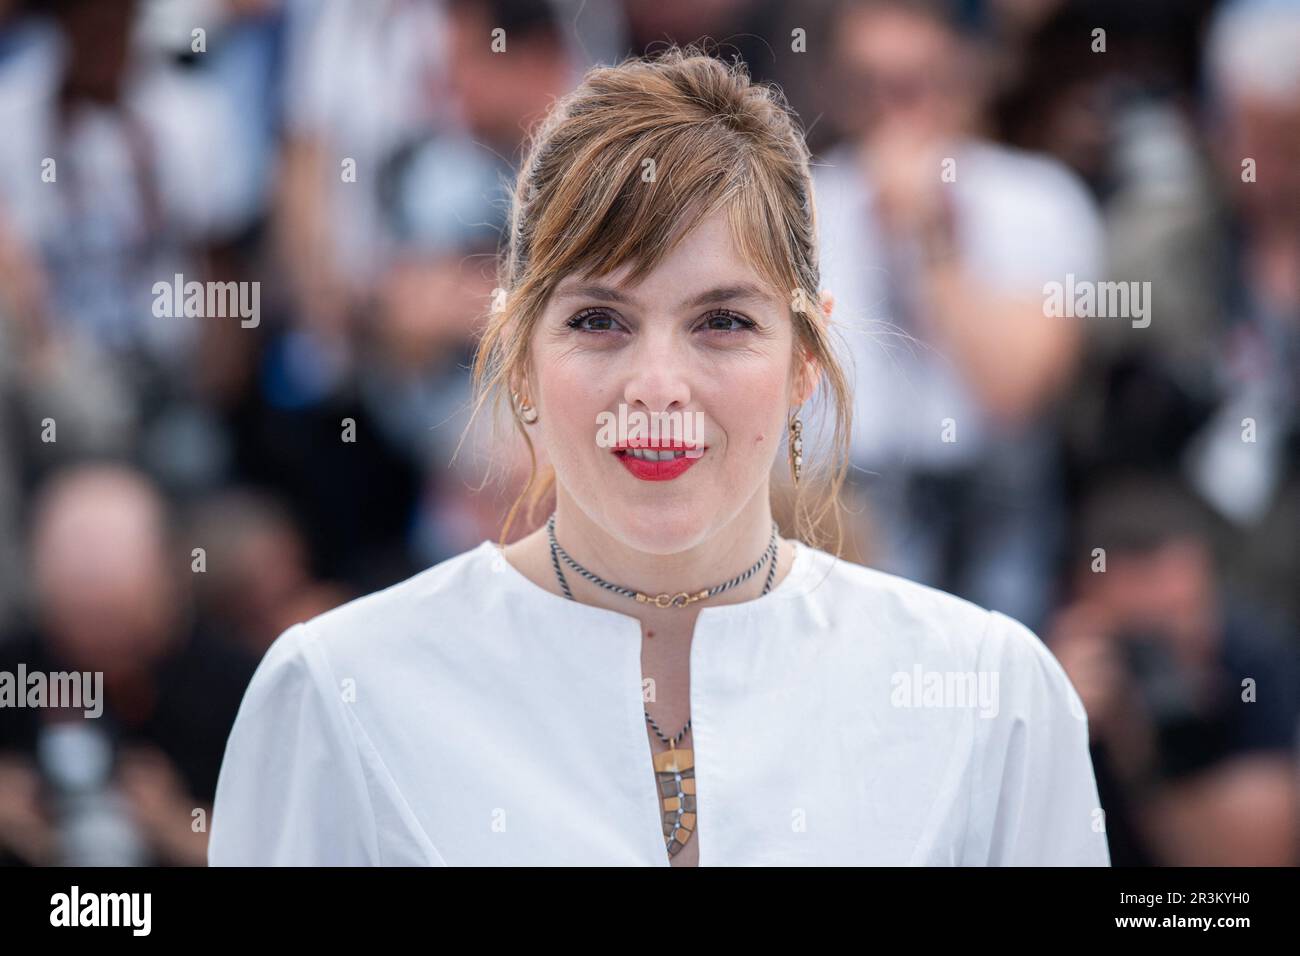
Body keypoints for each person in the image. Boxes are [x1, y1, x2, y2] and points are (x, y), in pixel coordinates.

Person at [207, 46, 1110, 866]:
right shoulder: (339, 692)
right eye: (599, 321)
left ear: (804, 360)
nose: (659, 386)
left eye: (722, 322)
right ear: (520, 351)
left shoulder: (989, 699)